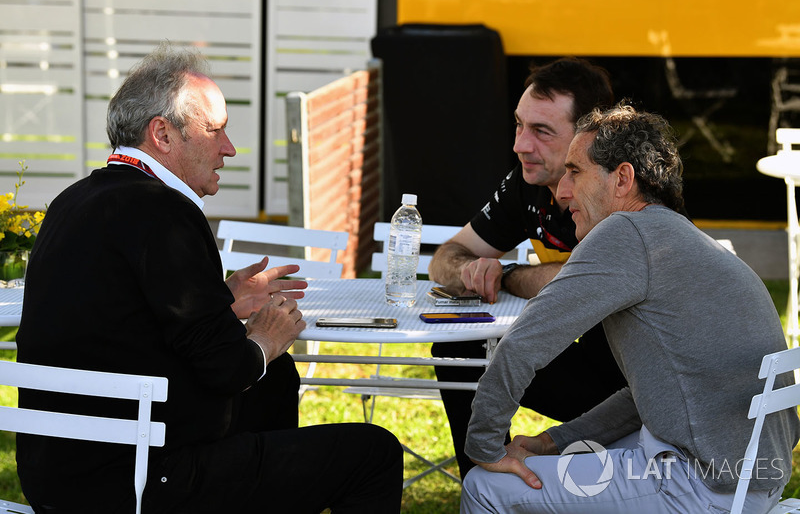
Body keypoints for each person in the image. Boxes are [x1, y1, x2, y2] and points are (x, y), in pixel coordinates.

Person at [15, 42, 403, 513]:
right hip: (140, 482)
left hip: (55, 476)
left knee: (272, 380)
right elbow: (226, 367)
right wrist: (265, 336)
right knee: (374, 453)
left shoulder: (71, 201)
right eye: (215, 130)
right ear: (162, 133)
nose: (229, 148)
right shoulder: (166, 211)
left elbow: (119, 321)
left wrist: (221, 298)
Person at [460, 104, 800, 513]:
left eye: (575, 171)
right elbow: (648, 397)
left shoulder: (624, 233)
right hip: (750, 483)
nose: (563, 191)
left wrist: (485, 447)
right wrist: (554, 442)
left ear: (622, 178)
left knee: (483, 484)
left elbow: (522, 343)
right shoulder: (680, 237)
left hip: (699, 486)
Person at [427, 57, 626, 477]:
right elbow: (446, 255)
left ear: (589, 139)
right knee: (460, 350)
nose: (520, 144)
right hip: (591, 370)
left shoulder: (617, 190)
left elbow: (583, 280)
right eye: (519, 125)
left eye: (541, 131)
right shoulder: (529, 180)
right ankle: (485, 485)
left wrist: (509, 275)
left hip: (638, 393)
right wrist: (469, 270)